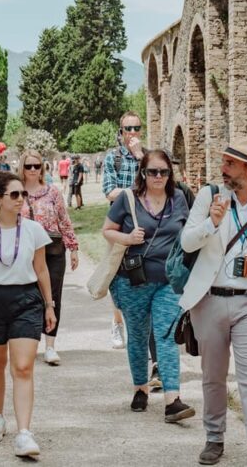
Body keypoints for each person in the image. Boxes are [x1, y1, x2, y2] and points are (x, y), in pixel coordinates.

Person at [180, 138, 247, 467]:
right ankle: (214, 438)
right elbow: (186, 242)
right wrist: (211, 223)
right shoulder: (208, 197)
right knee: (213, 376)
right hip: (210, 300)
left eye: (229, 163)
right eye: (224, 162)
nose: (222, 169)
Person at [102, 149, 195, 422]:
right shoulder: (128, 199)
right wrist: (128, 238)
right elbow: (107, 230)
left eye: (163, 172)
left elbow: (189, 233)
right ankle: (140, 387)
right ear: (143, 172)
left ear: (170, 174)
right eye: (152, 171)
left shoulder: (179, 199)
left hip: (169, 281)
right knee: (139, 336)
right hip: (132, 281)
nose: (158, 176)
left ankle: (172, 400)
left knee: (166, 337)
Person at [0, 171, 57, 458]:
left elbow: (42, 270)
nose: (20, 199)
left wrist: (49, 304)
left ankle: (24, 433)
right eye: (14, 195)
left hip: (26, 299)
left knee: (23, 367)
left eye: (23, 194)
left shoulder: (33, 230)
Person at [19, 150, 79, 365]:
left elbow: (64, 220)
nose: (33, 170)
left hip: (53, 250)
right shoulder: (17, 192)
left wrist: (73, 247)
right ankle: (29, 341)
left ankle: (50, 345)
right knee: (28, 296)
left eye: (37, 166)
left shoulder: (52, 192)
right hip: (25, 252)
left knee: (52, 297)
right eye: (29, 166)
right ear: (22, 169)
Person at [102, 112, 146, 351]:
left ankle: (141, 324)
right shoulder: (113, 158)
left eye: (136, 128)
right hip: (119, 223)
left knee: (145, 273)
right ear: (121, 132)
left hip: (146, 222)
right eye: (127, 129)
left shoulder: (147, 158)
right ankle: (118, 322)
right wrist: (136, 189)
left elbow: (159, 183)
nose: (132, 133)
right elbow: (109, 191)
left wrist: (141, 157)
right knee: (118, 276)